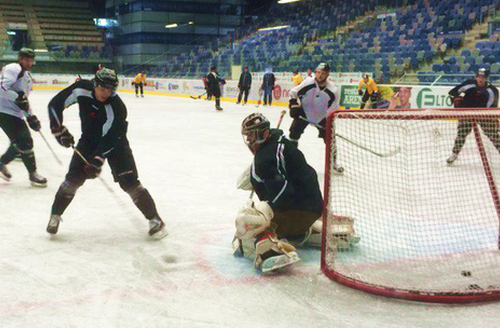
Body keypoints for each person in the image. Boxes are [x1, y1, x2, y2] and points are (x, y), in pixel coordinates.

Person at [46, 68, 167, 239]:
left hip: (116, 145)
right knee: (73, 179)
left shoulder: (118, 107)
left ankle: (155, 219)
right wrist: (57, 129)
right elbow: (55, 104)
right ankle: (55, 215)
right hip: (88, 141)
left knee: (129, 183)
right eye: (102, 88)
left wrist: (98, 159)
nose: (106, 93)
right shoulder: (81, 89)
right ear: (95, 84)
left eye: (110, 89)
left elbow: (113, 137)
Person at [234, 113, 358, 273]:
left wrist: (266, 218)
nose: (249, 141)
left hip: (299, 213)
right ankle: (306, 231)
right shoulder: (279, 143)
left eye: (252, 135)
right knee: (267, 209)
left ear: (264, 134)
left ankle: (268, 251)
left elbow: (282, 193)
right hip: (313, 208)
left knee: (249, 218)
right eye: (247, 136)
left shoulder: (265, 158)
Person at [0, 47, 47, 186]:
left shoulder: (27, 77)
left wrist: (31, 117)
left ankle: (2, 163)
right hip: (3, 111)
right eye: (27, 60)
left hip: (14, 113)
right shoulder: (13, 68)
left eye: (31, 60)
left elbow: (23, 100)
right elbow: (2, 89)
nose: (29, 63)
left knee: (20, 142)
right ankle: (33, 174)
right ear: (20, 59)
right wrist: (17, 97)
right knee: (25, 140)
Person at [288, 62, 343, 173]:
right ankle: (290, 160)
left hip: (321, 117)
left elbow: (333, 108)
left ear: (328, 74)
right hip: (304, 113)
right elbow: (293, 93)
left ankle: (333, 163)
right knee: (293, 134)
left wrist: (328, 121)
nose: (320, 75)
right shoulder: (308, 82)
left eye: (323, 73)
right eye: (318, 72)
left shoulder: (333, 90)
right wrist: (293, 105)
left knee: (330, 140)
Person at [446, 68, 500, 165]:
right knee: (462, 133)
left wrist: (492, 118)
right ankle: (454, 154)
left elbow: (492, 106)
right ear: (476, 76)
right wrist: (456, 98)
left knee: (494, 135)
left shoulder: (492, 90)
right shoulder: (469, 84)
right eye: (479, 76)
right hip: (467, 112)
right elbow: (453, 92)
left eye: (483, 77)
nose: (480, 79)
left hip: (483, 115)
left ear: (487, 78)